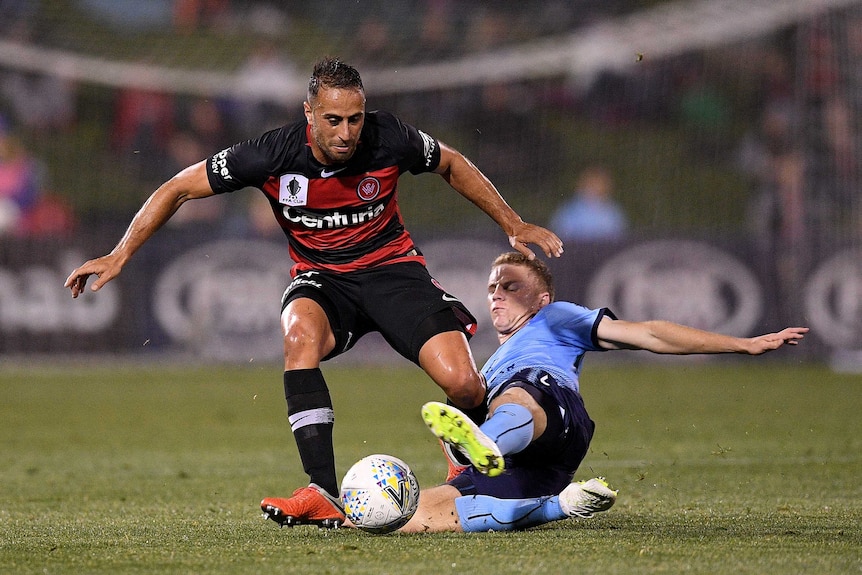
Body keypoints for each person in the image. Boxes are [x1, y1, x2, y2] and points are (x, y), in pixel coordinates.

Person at [63, 57, 563, 528]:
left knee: (463, 386)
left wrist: (512, 221)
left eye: (354, 119)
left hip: (393, 271)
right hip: (324, 280)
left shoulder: (388, 137)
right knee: (299, 334)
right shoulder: (271, 153)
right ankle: (322, 491)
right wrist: (120, 254)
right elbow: (176, 187)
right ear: (309, 113)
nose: (346, 132)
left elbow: (452, 163)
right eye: (333, 120)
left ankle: (480, 473)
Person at [398, 252, 808, 533]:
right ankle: (557, 506)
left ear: (543, 299)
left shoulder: (554, 319)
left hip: (549, 409)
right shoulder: (488, 367)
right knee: (416, 517)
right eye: (492, 288)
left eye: (511, 286)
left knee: (517, 392)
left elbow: (649, 333)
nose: (497, 294)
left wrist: (744, 344)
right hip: (536, 468)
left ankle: (488, 442)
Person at [548, 165, 628, 242]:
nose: (595, 187)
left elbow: (619, 238)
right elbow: (560, 235)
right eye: (592, 183)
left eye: (599, 183)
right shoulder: (568, 211)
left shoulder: (613, 211)